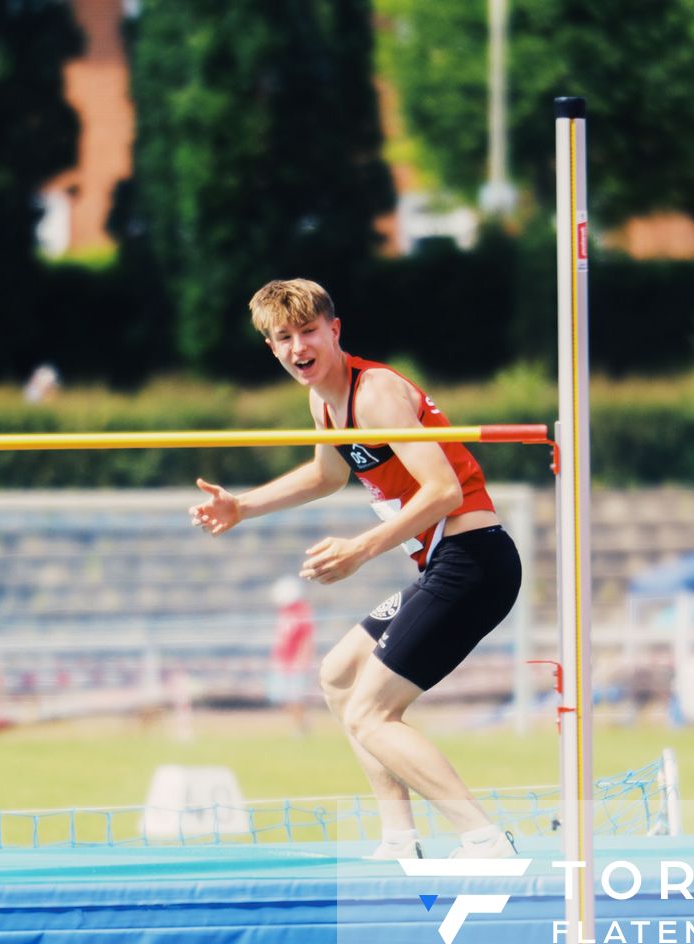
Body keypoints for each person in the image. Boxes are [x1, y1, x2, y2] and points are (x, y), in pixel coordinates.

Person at [190, 278, 523, 861]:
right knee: (339, 675)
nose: (299, 348)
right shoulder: (322, 401)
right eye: (284, 338)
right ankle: (400, 839)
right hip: (444, 562)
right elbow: (327, 476)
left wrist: (361, 549)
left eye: (309, 332)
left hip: (475, 559)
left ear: (334, 330)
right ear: (272, 348)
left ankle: (484, 838)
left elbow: (443, 490)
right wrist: (243, 506)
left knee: (371, 712)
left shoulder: (375, 394)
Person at [267, 576, 316, 735]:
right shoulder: (284, 612)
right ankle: (301, 724)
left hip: (295, 663)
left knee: (295, 698)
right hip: (282, 662)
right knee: (280, 697)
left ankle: (300, 728)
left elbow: (306, 639)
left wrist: (301, 660)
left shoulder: (302, 611)